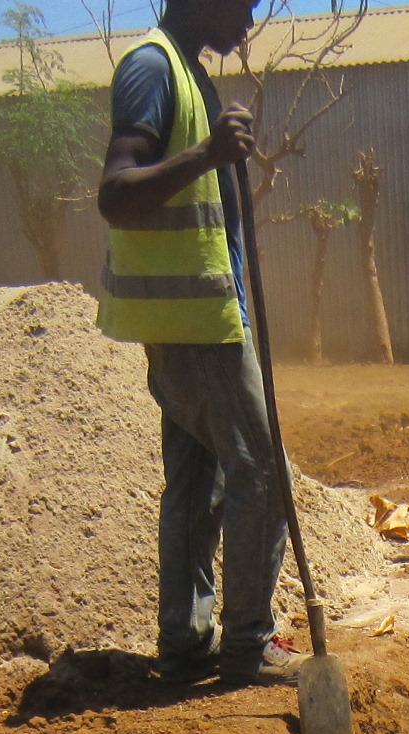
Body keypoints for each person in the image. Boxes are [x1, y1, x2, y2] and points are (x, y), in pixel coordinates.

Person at [98, 0, 297, 685]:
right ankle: (246, 643)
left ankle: (186, 644)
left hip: (192, 318)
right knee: (263, 470)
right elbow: (116, 192)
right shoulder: (152, 68)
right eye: (242, 4)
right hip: (197, 326)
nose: (247, 21)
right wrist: (206, 153)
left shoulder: (187, 73)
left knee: (197, 482)